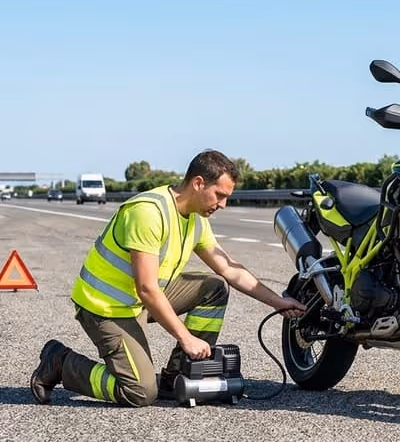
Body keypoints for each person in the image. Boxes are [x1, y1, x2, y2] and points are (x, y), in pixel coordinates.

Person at [30, 149, 306, 407]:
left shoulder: (195, 219)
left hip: (139, 300)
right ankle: (61, 363)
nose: (223, 204)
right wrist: (186, 338)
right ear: (198, 183)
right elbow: (147, 288)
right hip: (105, 307)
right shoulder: (148, 213)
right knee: (139, 392)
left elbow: (230, 269)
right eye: (219, 195)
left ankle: (176, 377)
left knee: (214, 288)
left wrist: (278, 302)